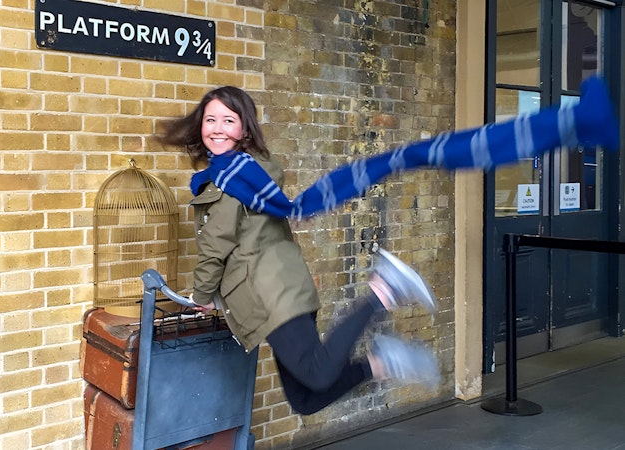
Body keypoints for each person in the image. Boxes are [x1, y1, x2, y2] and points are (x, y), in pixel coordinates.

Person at [156, 79, 618, 414]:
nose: (217, 128)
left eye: (227, 120)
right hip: (272, 296)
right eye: (210, 119)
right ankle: (381, 361)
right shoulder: (240, 174)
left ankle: (384, 289)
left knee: (316, 375)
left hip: (271, 296)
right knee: (304, 400)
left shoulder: (230, 179)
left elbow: (215, 248)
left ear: (244, 128)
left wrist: (199, 298)